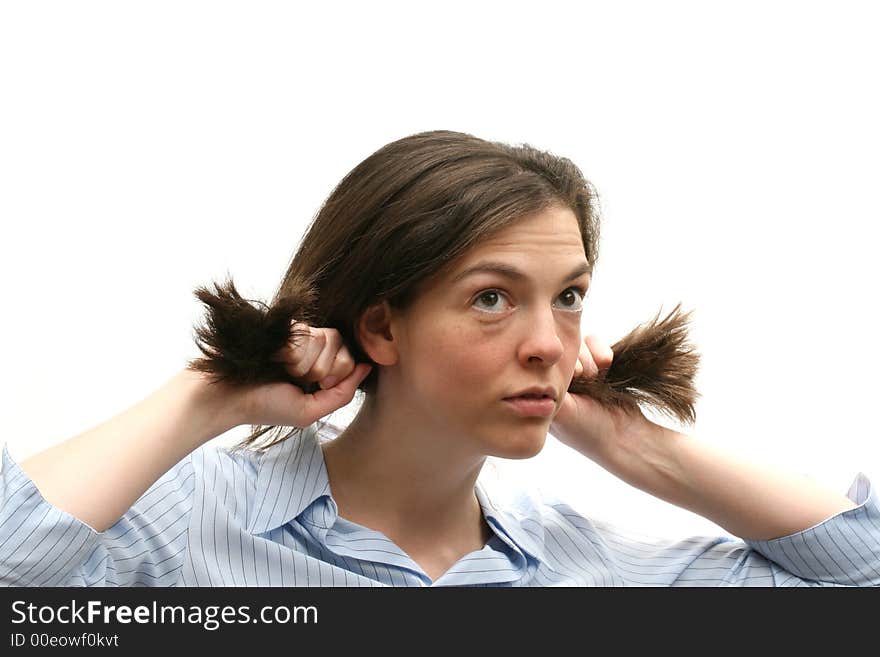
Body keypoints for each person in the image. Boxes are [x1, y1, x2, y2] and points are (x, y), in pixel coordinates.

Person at [1, 130, 877, 587]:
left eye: (568, 296)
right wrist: (210, 396)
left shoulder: (586, 567)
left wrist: (632, 442)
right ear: (382, 329)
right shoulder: (198, 527)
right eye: (492, 297)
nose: (549, 341)